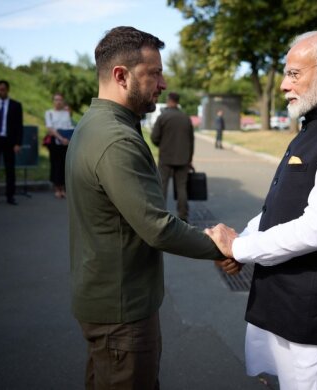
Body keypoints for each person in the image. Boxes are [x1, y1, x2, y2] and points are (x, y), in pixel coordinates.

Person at [206, 30, 317, 389]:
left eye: (294, 74)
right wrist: (243, 241)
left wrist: (240, 247)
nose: (284, 85)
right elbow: (284, 205)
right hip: (291, 304)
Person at [65, 26, 237, 390]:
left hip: (106, 298)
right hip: (121, 310)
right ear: (121, 76)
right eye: (154, 73)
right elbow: (157, 226)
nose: (162, 83)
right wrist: (220, 247)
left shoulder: (98, 124)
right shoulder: (116, 139)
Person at [151, 92, 194, 221]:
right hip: (183, 159)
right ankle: (183, 215)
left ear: (169, 101)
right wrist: (189, 158)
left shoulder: (163, 117)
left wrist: (162, 145)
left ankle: (160, 216)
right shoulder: (185, 118)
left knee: (162, 187)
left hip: (166, 157)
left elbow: (154, 137)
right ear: (178, 101)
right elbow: (191, 140)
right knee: (182, 188)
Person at [45, 93, 73, 199]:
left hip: (66, 142)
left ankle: (63, 188)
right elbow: (50, 129)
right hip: (55, 142)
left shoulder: (66, 113)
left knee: (64, 165)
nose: (58, 102)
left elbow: (69, 126)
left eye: (60, 100)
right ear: (53, 101)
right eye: (56, 100)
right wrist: (61, 138)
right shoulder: (49, 113)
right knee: (56, 165)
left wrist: (67, 139)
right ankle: (57, 188)